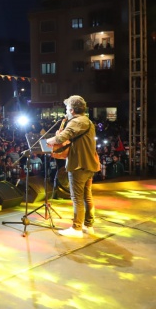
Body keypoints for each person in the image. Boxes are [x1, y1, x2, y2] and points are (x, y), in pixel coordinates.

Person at [46, 95, 100, 238]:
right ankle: (88, 225)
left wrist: (47, 141)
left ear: (72, 110)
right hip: (89, 164)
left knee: (77, 198)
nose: (66, 112)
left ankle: (76, 228)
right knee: (87, 196)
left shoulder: (77, 121)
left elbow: (60, 138)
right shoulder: (87, 121)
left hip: (79, 165)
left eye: (67, 109)